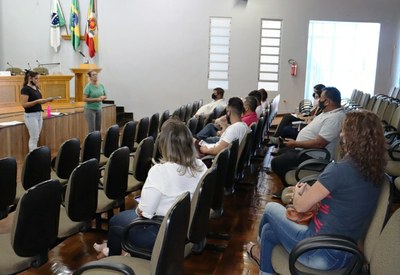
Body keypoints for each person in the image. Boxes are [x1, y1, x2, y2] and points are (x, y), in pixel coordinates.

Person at [246, 110, 387, 275]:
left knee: (270, 208)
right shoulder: (375, 171)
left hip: (318, 251)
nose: (340, 134)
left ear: (350, 137)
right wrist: (312, 191)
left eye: (344, 131)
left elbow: (300, 207)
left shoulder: (339, 170)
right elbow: (343, 195)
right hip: (347, 253)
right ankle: (264, 265)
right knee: (269, 231)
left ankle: (260, 252)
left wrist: (299, 193)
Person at [94, 118, 207, 257]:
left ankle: (112, 255)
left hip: (161, 232)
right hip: (186, 227)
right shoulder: (201, 166)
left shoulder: (160, 171)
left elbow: (146, 213)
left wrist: (140, 207)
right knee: (123, 221)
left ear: (163, 145)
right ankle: (112, 248)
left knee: (115, 222)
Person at [270, 87, 345, 193]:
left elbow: (319, 144)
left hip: (314, 155)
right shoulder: (329, 112)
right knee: (282, 152)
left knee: (277, 163)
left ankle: (291, 191)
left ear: (327, 101)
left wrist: (295, 143)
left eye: (321, 98)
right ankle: (291, 187)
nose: (319, 100)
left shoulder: (334, 118)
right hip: (307, 151)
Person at [20, 70, 54, 152]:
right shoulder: (25, 89)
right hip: (30, 116)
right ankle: (33, 158)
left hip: (38, 114)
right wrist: (37, 101)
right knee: (34, 138)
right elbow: (24, 104)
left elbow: (40, 100)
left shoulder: (37, 88)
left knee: (36, 137)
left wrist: (47, 100)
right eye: (36, 78)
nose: (37, 80)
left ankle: (35, 156)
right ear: (30, 78)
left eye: (38, 78)